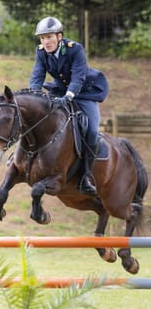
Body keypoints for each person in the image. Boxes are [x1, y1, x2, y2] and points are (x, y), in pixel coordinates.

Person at [30, 16, 109, 195]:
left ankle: (86, 175)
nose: (45, 42)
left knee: (92, 131)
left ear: (59, 36)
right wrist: (33, 95)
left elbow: (79, 76)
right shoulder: (41, 52)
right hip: (60, 91)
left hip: (84, 93)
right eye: (42, 38)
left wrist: (69, 95)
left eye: (49, 37)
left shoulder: (75, 49)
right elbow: (37, 76)